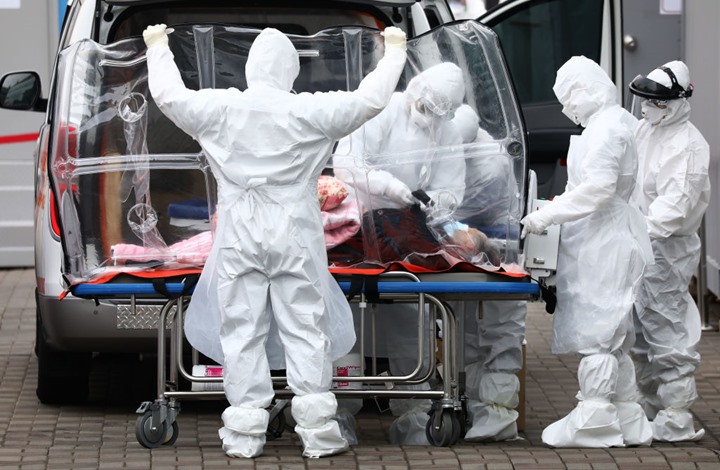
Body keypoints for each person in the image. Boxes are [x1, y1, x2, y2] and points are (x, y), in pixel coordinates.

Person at [142, 24, 408, 458]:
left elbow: (169, 96)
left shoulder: (220, 107)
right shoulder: (308, 110)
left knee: (241, 328)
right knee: (305, 326)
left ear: (251, 68)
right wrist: (394, 53)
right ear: (290, 71)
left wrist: (158, 48)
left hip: (238, 235)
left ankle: (245, 431)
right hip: (295, 235)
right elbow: (369, 100)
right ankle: (318, 431)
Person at [520, 56, 653, 447]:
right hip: (607, 237)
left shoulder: (607, 129)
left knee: (599, 333)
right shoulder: (611, 122)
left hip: (605, 243)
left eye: (569, 99)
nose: (567, 109)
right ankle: (627, 416)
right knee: (614, 336)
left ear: (589, 89)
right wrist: (557, 206)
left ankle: (595, 420)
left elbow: (597, 189)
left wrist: (548, 215)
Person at [333, 62, 466, 445]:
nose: (429, 118)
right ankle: (339, 409)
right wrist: (389, 187)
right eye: (425, 108)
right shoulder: (383, 110)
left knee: (411, 311)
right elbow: (347, 163)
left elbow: (452, 185)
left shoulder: (448, 130)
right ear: (415, 93)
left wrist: (435, 201)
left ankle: (415, 412)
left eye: (438, 113)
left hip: (407, 230)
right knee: (347, 315)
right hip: (357, 225)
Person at [628, 60, 710, 442]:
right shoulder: (647, 129)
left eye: (656, 101)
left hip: (667, 249)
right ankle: (649, 406)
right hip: (638, 241)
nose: (648, 107)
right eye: (645, 100)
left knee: (666, 328)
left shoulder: (689, 147)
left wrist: (632, 234)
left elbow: (672, 210)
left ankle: (676, 416)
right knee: (638, 329)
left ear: (678, 101)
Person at [449, 104, 527, 441]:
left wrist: (452, 229)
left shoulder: (492, 163)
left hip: (498, 247)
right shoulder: (452, 149)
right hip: (464, 246)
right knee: (462, 329)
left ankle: (498, 414)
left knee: (499, 329)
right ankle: (471, 405)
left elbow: (456, 210)